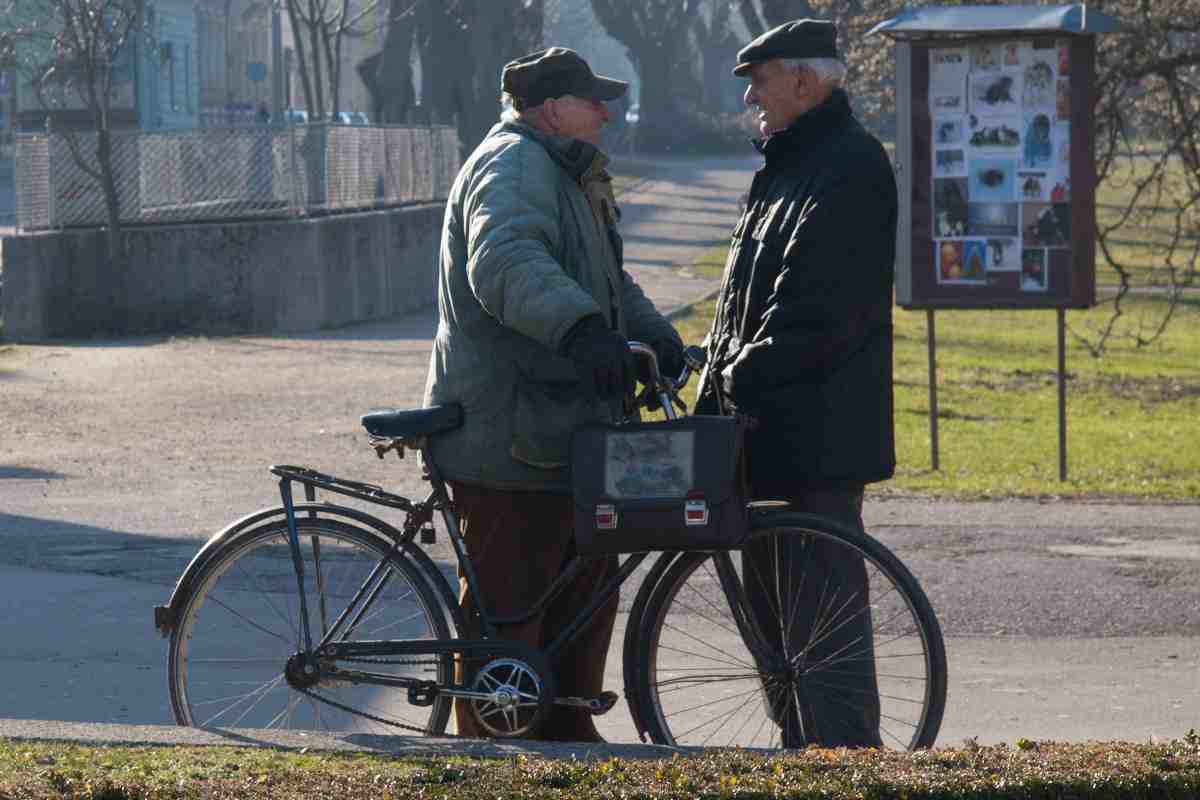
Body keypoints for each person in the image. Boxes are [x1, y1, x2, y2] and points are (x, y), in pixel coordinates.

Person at [422, 46, 684, 742]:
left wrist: (656, 338)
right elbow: (505, 262)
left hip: (561, 431)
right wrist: (581, 332)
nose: (606, 112)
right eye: (592, 100)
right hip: (511, 434)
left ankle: (568, 735)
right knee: (512, 607)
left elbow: (607, 280)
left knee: (583, 593)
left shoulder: (564, 171)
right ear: (551, 109)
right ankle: (496, 754)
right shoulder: (513, 166)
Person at [695, 19, 898, 748]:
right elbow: (744, 300)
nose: (751, 96)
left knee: (821, 637)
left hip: (815, 442)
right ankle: (802, 758)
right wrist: (710, 363)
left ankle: (845, 769)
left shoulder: (848, 166)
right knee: (779, 638)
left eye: (761, 79)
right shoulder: (787, 165)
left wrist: (733, 371)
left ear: (804, 81)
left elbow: (817, 311)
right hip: (764, 435)